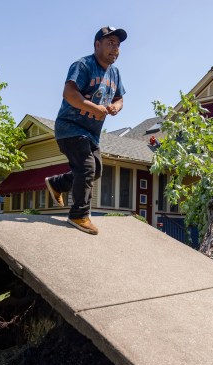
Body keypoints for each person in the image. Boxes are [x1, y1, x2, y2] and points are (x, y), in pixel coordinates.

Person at [45, 26, 127, 235]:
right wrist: (95, 108)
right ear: (97, 44)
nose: (114, 49)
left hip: (91, 133)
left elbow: (119, 98)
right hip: (70, 127)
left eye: (117, 45)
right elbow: (70, 94)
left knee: (96, 170)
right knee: (87, 167)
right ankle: (79, 215)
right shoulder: (83, 65)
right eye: (110, 43)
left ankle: (57, 184)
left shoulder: (115, 73)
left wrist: (115, 107)